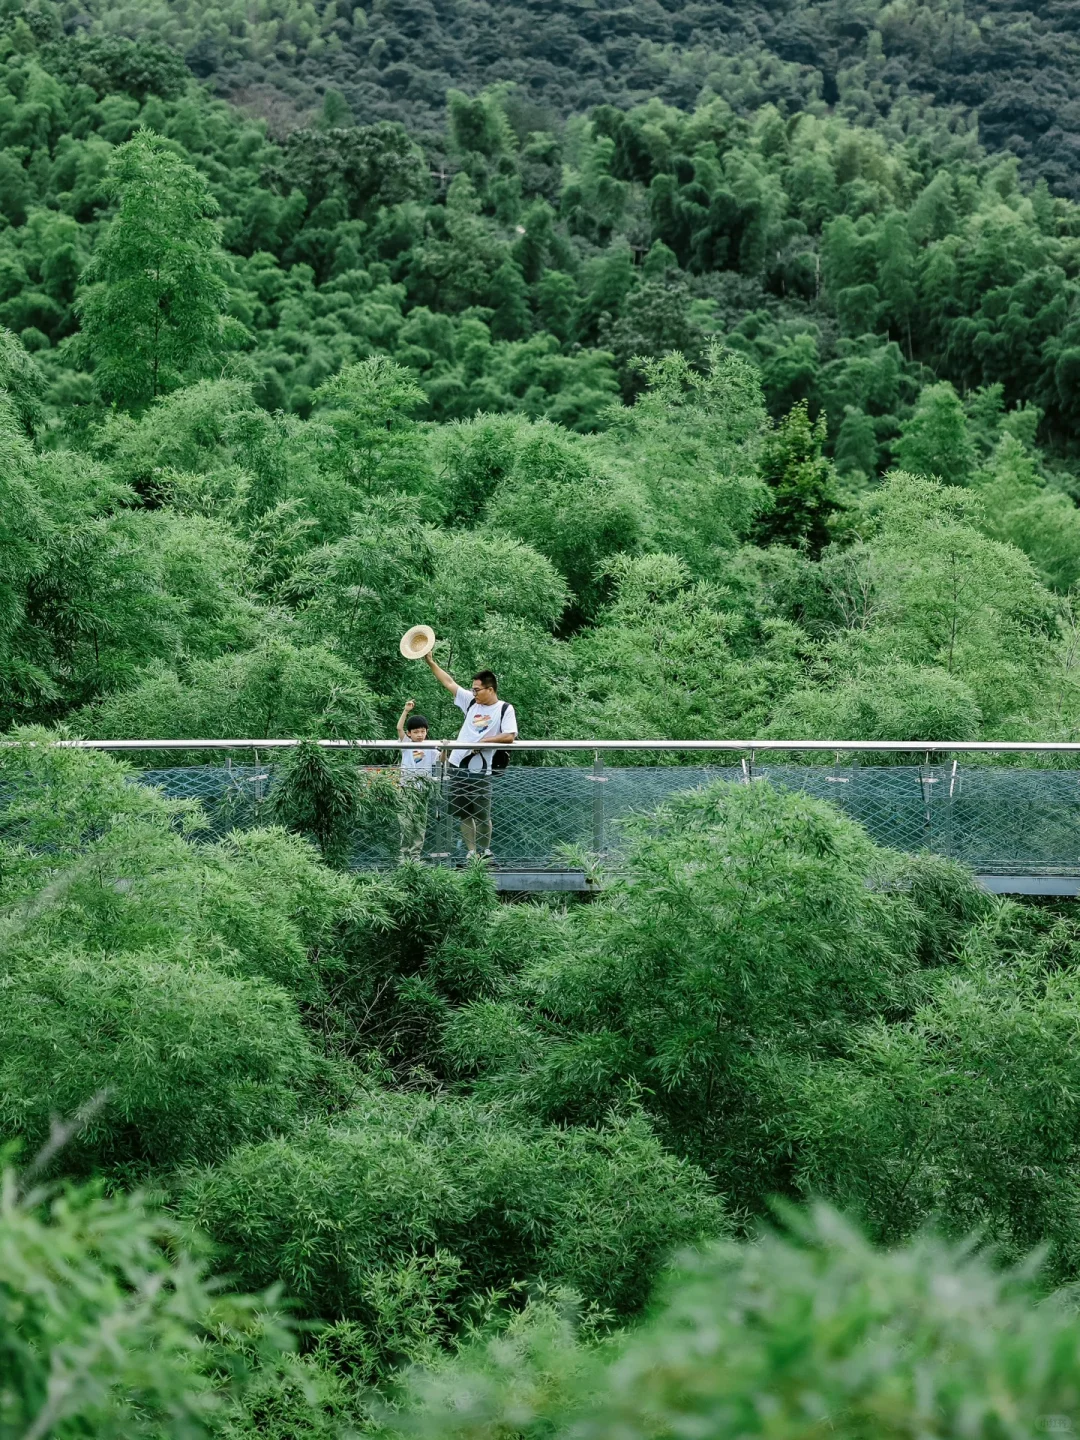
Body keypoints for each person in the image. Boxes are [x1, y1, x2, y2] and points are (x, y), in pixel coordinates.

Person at [422, 655, 517, 861]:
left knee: (482, 813)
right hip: (458, 764)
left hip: (482, 769)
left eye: (477, 689)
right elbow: (448, 682)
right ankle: (471, 852)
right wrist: (430, 662)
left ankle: (485, 851)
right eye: (472, 690)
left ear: (490, 689)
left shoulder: (504, 709)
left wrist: (483, 741)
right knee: (464, 812)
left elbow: (510, 735)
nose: (474, 693)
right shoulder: (472, 703)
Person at [396, 700, 437, 860]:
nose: (420, 735)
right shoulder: (406, 744)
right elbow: (399, 728)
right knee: (406, 823)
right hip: (407, 789)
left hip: (423, 790)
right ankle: (403, 856)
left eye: (422, 731)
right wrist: (406, 711)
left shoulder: (431, 746)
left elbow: (441, 759)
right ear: (409, 734)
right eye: (416, 732)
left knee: (420, 825)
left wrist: (445, 748)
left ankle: (415, 857)